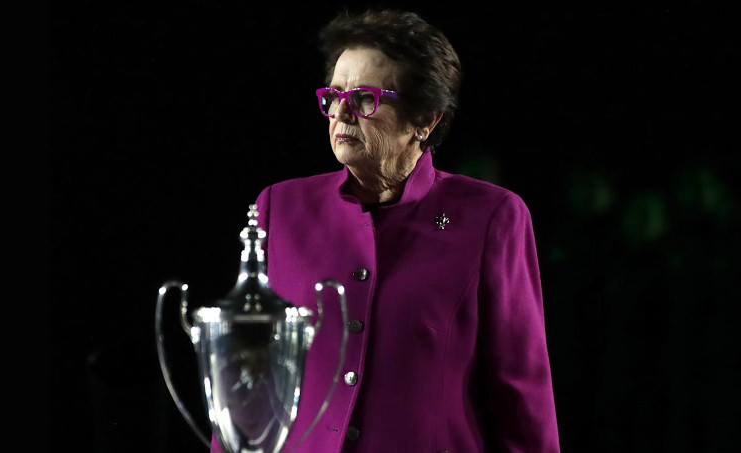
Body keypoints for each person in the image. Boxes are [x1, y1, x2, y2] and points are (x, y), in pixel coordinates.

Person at [210, 9, 560, 453]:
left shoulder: (493, 216)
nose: (341, 112)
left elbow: (520, 391)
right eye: (333, 95)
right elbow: (246, 377)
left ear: (426, 120)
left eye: (363, 99)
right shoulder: (280, 207)